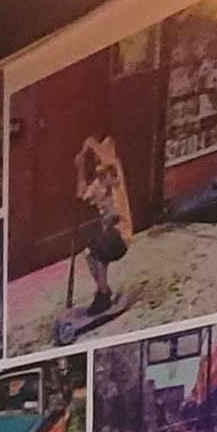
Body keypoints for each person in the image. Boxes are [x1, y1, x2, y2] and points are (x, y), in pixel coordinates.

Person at [66, 134, 136, 326]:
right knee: (89, 254)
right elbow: (81, 194)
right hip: (109, 235)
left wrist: (90, 144)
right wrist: (80, 167)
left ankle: (103, 296)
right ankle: (103, 290)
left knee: (97, 250)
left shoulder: (115, 176)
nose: (98, 163)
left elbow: (109, 161)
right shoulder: (97, 185)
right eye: (96, 161)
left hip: (121, 234)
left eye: (100, 159)